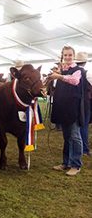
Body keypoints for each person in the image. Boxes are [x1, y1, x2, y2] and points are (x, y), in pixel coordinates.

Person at [49, 45, 84, 176]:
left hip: (73, 108)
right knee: (67, 137)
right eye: (65, 55)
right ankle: (66, 163)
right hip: (63, 108)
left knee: (75, 137)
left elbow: (75, 81)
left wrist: (58, 76)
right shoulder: (61, 71)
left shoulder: (78, 70)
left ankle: (76, 164)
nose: (68, 57)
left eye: (70, 55)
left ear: (73, 56)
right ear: (62, 56)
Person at [75, 52, 91, 156]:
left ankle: (81, 148)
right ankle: (84, 149)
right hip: (85, 103)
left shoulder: (73, 73)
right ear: (85, 62)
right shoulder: (87, 74)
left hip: (75, 102)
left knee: (77, 127)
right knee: (83, 126)